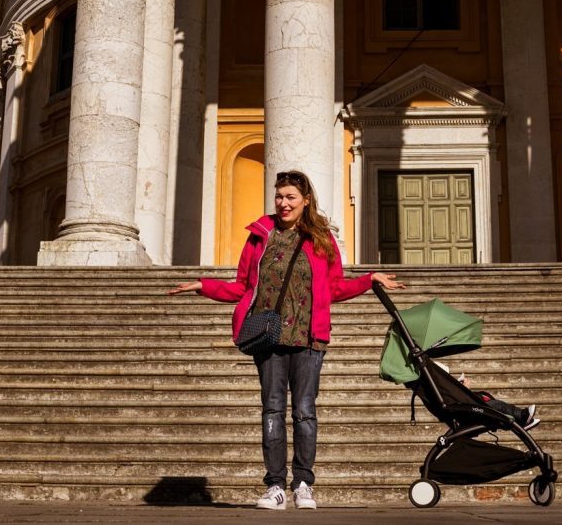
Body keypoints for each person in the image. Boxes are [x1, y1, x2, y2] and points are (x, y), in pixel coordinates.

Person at [169, 170, 404, 510]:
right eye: (279, 196)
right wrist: (204, 286)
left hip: (309, 338)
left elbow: (335, 288)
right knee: (272, 409)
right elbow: (242, 287)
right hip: (269, 336)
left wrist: (369, 279)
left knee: (305, 411)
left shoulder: (321, 238)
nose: (283, 203)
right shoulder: (260, 236)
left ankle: (303, 484)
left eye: (291, 197)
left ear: (305, 200)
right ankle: (275, 486)